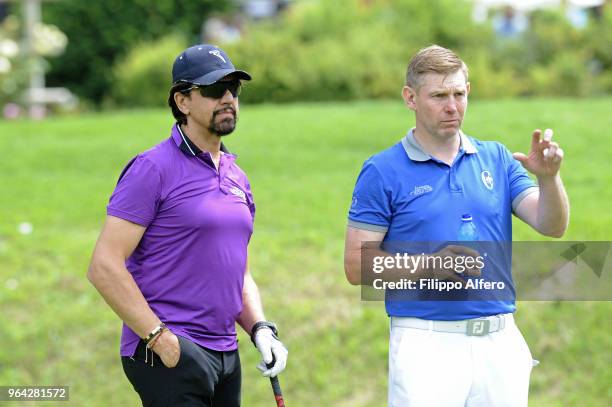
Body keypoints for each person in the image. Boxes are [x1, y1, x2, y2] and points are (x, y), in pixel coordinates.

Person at [344, 45, 569, 406]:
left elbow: (551, 225)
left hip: (500, 340)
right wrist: (430, 265)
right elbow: (356, 266)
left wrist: (549, 179)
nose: (452, 106)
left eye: (459, 94)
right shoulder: (382, 170)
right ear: (410, 98)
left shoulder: (497, 158)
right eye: (439, 96)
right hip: (426, 344)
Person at [88, 44, 288, 407]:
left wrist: (260, 329)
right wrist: (161, 340)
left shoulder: (237, 177)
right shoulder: (152, 169)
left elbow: (236, 270)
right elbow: (104, 265)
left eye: (234, 89)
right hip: (171, 351)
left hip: (227, 354)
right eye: (214, 89)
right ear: (183, 101)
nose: (228, 98)